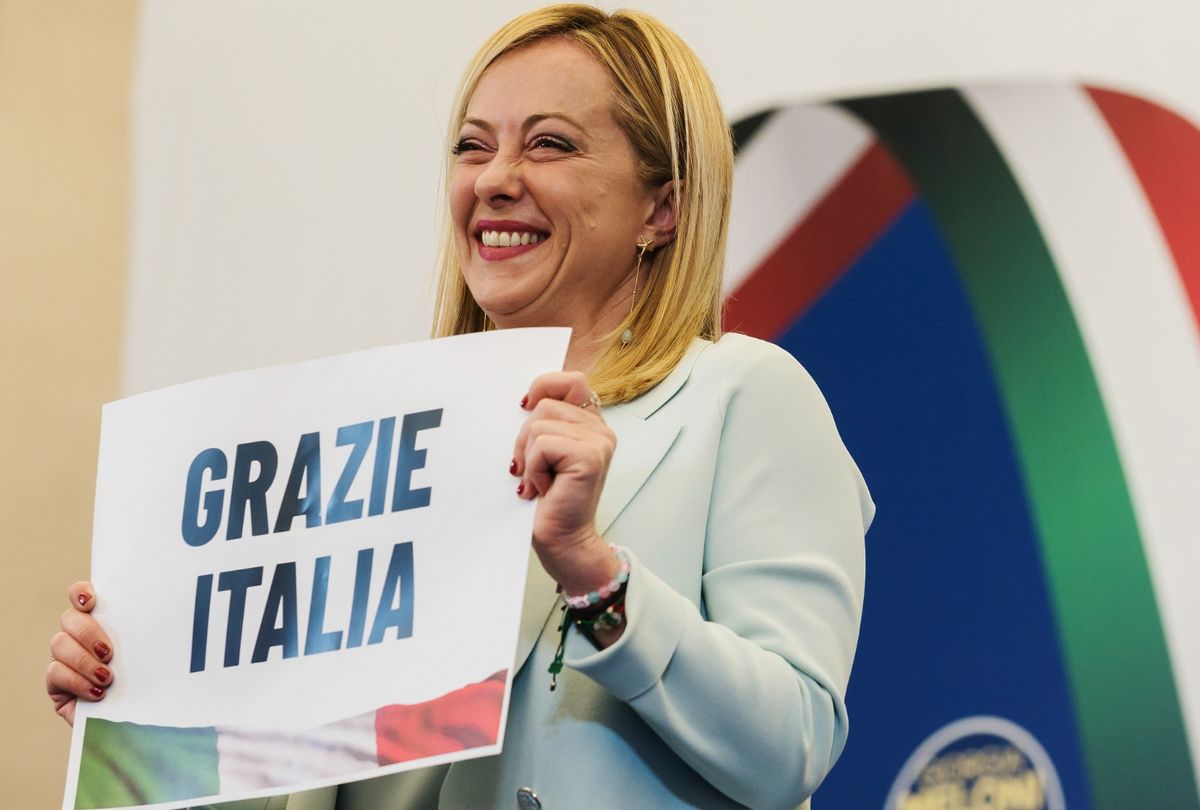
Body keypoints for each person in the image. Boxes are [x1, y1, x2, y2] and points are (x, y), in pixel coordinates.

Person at [47, 5, 874, 809]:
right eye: (473, 147)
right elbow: (295, 770)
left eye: (549, 144)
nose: (495, 179)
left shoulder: (742, 395)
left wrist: (594, 574)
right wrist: (146, 700)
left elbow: (790, 746)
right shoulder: (374, 443)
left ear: (660, 208)